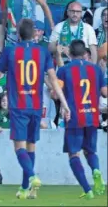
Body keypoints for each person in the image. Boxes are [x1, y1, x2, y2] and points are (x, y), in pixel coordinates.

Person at [0, 19, 70, 199]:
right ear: (34, 34)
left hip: (18, 105)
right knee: (31, 146)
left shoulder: (10, 51)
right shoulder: (42, 51)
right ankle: (26, 189)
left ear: (17, 33)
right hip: (36, 106)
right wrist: (64, 103)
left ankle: (32, 176)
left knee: (19, 148)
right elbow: (54, 80)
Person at [55, 40, 107, 199]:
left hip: (74, 117)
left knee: (73, 154)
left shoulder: (64, 70)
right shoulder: (96, 70)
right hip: (92, 116)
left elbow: (55, 94)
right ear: (85, 54)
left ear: (69, 54)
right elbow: (105, 92)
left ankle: (87, 189)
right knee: (90, 151)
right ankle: (96, 170)